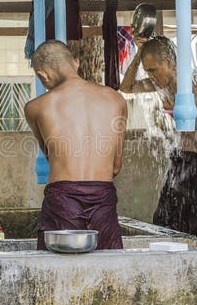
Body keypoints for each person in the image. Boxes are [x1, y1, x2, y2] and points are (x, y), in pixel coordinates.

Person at [25, 40, 128, 250]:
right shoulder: (116, 100)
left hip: (63, 199)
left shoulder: (36, 107)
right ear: (77, 62)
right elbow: (116, 167)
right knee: (108, 270)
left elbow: (51, 155)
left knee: (59, 272)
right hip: (103, 196)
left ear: (42, 74)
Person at [119, 35, 197, 242]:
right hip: (178, 160)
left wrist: (181, 120)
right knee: (162, 223)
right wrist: (139, 52)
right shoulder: (160, 86)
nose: (151, 76)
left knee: (189, 228)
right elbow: (125, 87)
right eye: (147, 72)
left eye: (153, 70)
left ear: (170, 63)